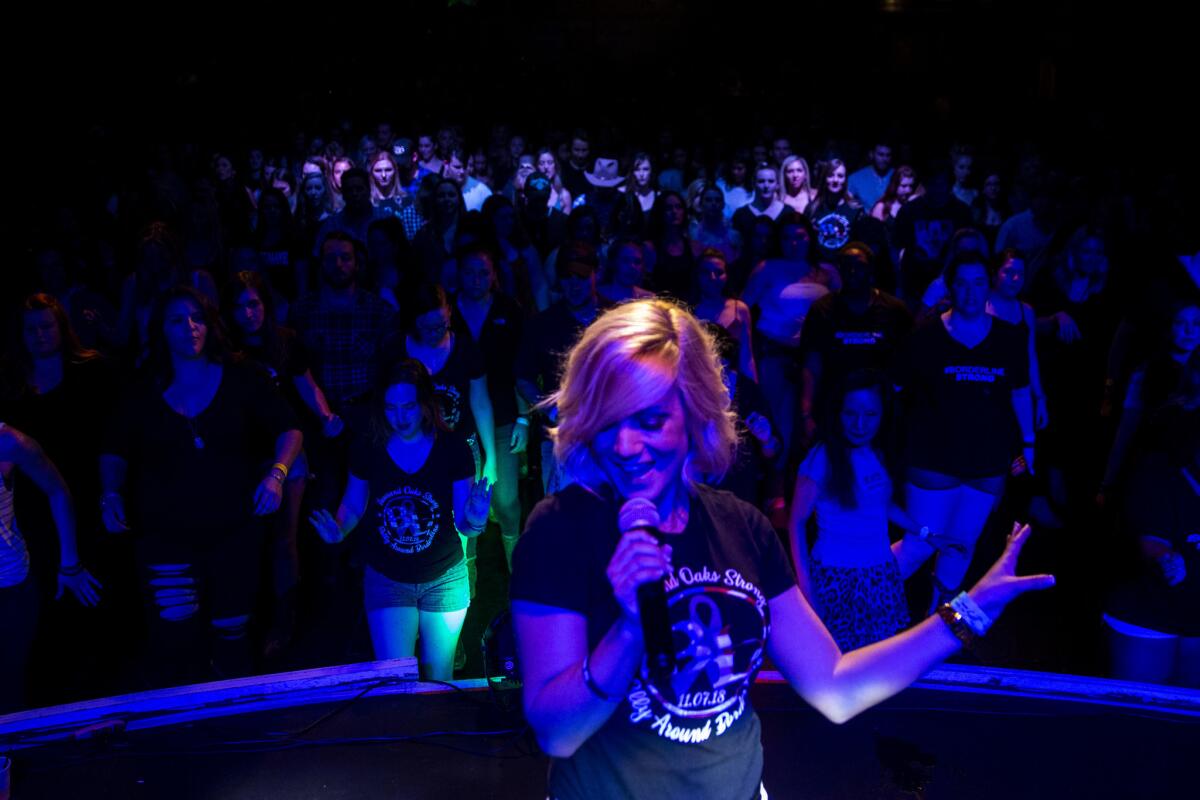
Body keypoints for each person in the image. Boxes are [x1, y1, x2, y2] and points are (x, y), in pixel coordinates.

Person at [510, 298, 1053, 800]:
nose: (626, 446)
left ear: (696, 413)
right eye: (608, 422)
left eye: (651, 420)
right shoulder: (559, 530)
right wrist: (629, 629)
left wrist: (969, 611)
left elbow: (835, 687)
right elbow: (558, 736)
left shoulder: (740, 527)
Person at [100, 286, 302, 685]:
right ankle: (187, 731)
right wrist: (110, 492)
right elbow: (113, 448)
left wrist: (276, 474)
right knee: (176, 641)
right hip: (165, 536)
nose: (190, 327)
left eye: (196, 317)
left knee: (233, 637)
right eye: (177, 319)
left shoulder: (243, 376)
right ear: (161, 329)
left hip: (234, 532)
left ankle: (238, 731)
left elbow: (290, 428)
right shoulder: (144, 387)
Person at [309, 360, 491, 679]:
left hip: (444, 576)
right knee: (396, 679)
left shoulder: (453, 449)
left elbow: (464, 524)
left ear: (424, 403)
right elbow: (353, 505)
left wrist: (475, 520)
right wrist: (339, 531)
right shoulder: (368, 447)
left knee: (440, 678)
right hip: (387, 578)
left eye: (408, 406)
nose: (400, 416)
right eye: (391, 407)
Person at [892, 252, 1036, 609]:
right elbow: (896, 389)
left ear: (988, 285)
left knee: (961, 544)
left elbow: (1020, 392)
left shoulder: (1008, 338)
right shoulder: (926, 335)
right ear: (950, 287)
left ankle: (937, 626)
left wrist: (1029, 443)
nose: (971, 292)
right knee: (920, 545)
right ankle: (853, 604)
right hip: (933, 458)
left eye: (978, 283)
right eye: (962, 283)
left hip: (987, 461)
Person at [790, 370, 955, 651]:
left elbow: (882, 506)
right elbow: (796, 523)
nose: (859, 424)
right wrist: (806, 588)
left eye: (870, 415)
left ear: (882, 416)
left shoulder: (876, 453)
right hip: (837, 577)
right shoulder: (821, 458)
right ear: (838, 413)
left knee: (879, 660)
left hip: (879, 574)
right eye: (851, 413)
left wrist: (927, 534)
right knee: (841, 660)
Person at [0, 423, 99, 713]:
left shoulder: (8, 442)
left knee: (7, 691)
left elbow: (56, 490)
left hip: (8, 587)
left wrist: (70, 563)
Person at [452, 248, 529, 570]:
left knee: (507, 501)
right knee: (461, 501)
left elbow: (522, 367)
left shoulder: (508, 310)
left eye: (483, 272)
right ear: (459, 274)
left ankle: (518, 572)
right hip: (457, 425)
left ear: (494, 275)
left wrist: (524, 419)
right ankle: (465, 586)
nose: (476, 279)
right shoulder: (448, 313)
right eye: (470, 272)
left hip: (503, 418)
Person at [847, 142, 894, 213]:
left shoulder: (897, 175)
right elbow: (845, 201)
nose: (885, 159)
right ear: (871, 155)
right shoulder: (856, 178)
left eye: (888, 155)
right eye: (881, 155)